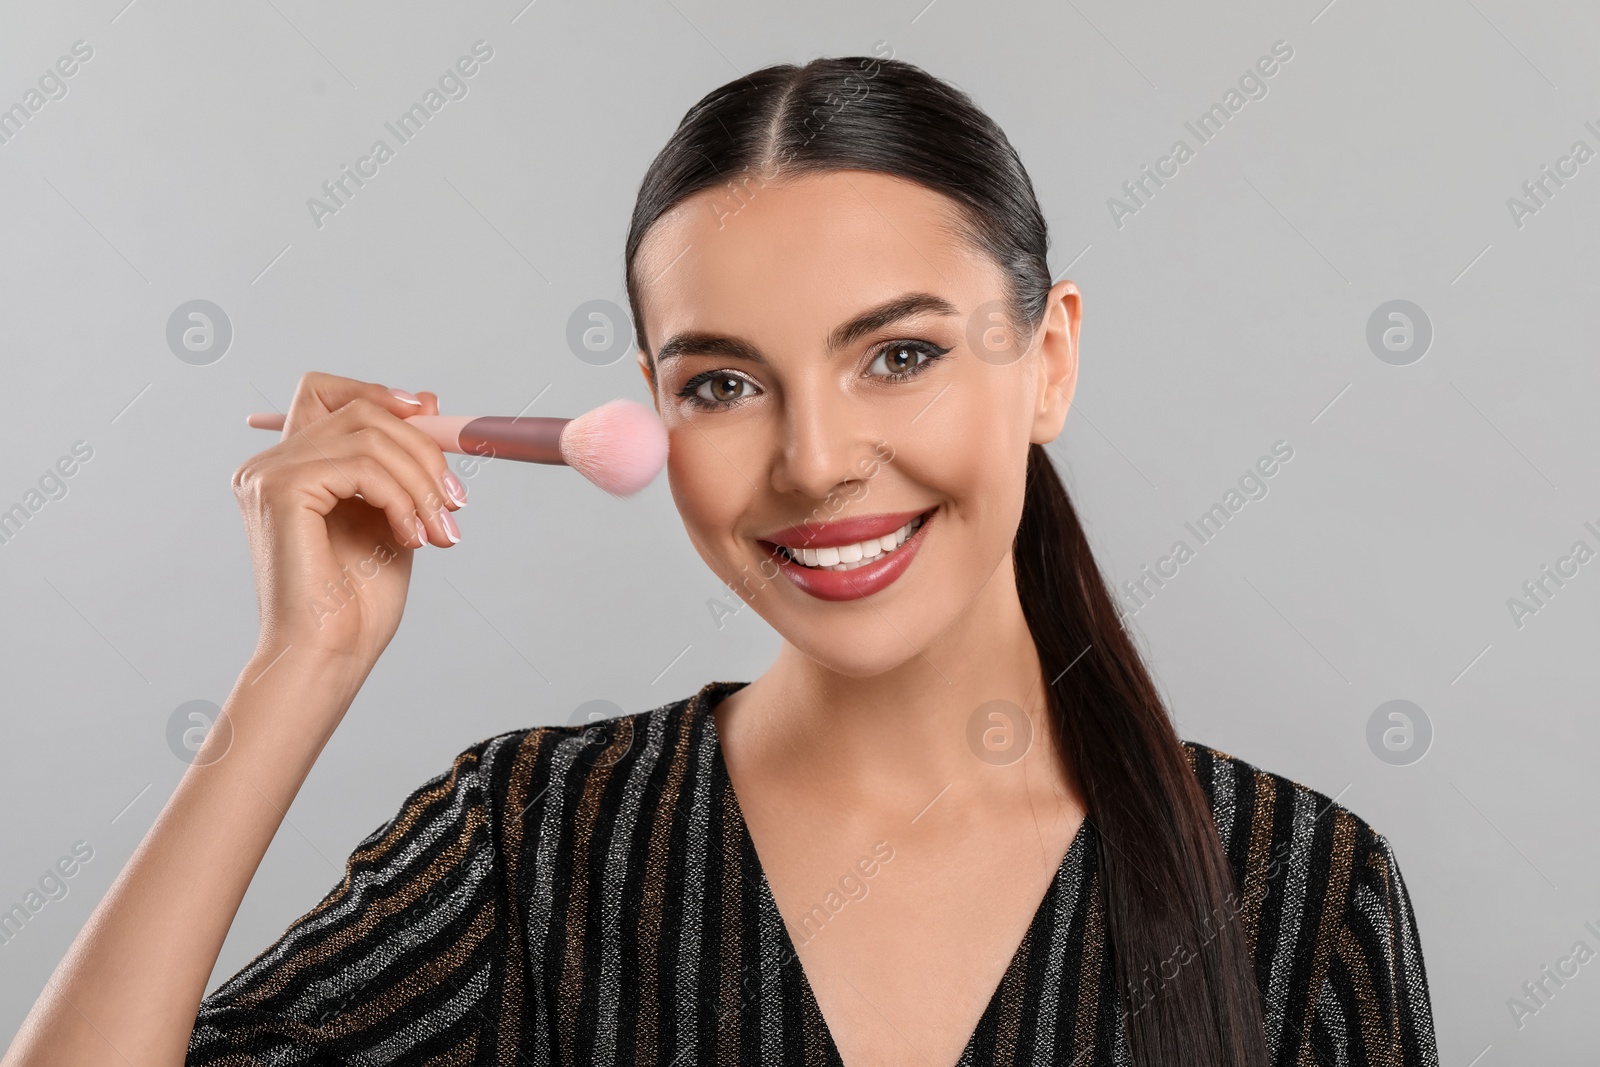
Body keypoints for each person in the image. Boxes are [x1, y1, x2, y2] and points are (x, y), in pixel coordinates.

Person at [4, 56, 1439, 1067]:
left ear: (1048, 359)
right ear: (649, 401)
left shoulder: (1302, 894)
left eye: (901, 355)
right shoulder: (533, 845)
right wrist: (296, 668)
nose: (815, 460)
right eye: (724, 384)